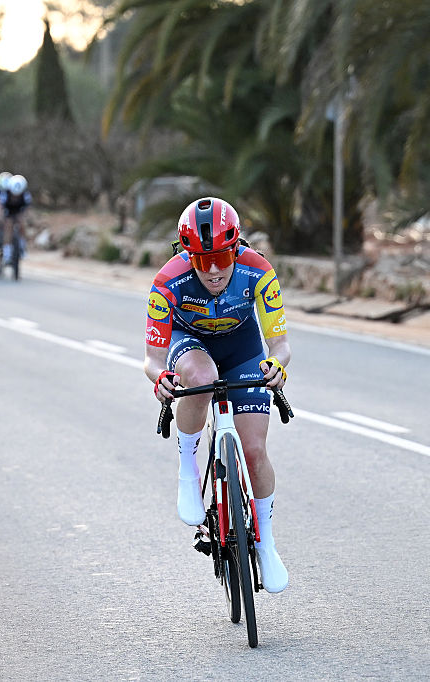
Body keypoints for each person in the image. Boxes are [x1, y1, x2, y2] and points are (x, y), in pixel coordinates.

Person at [143, 196, 291, 593]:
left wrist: (277, 366)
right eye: (202, 260)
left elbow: (279, 345)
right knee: (201, 374)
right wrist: (160, 379)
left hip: (243, 348)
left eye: (222, 258)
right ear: (186, 255)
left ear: (236, 247)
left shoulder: (258, 270)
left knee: (255, 451)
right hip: (188, 343)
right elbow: (152, 360)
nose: (213, 271)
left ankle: (266, 544)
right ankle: (188, 468)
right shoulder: (167, 282)